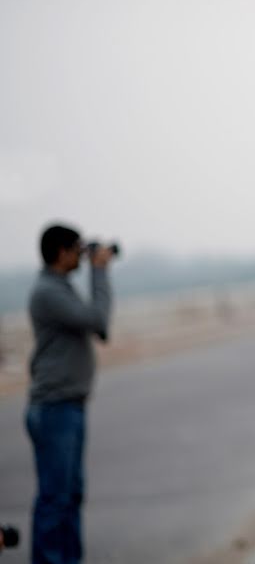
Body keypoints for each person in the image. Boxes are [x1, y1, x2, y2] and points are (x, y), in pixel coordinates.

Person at [26, 224, 114, 564]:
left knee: (70, 496)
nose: (82, 253)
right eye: (77, 247)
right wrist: (99, 272)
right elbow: (97, 318)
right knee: (55, 499)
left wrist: (97, 273)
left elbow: (99, 326)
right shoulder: (48, 291)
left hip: (67, 406)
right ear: (60, 251)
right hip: (54, 408)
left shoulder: (60, 288)